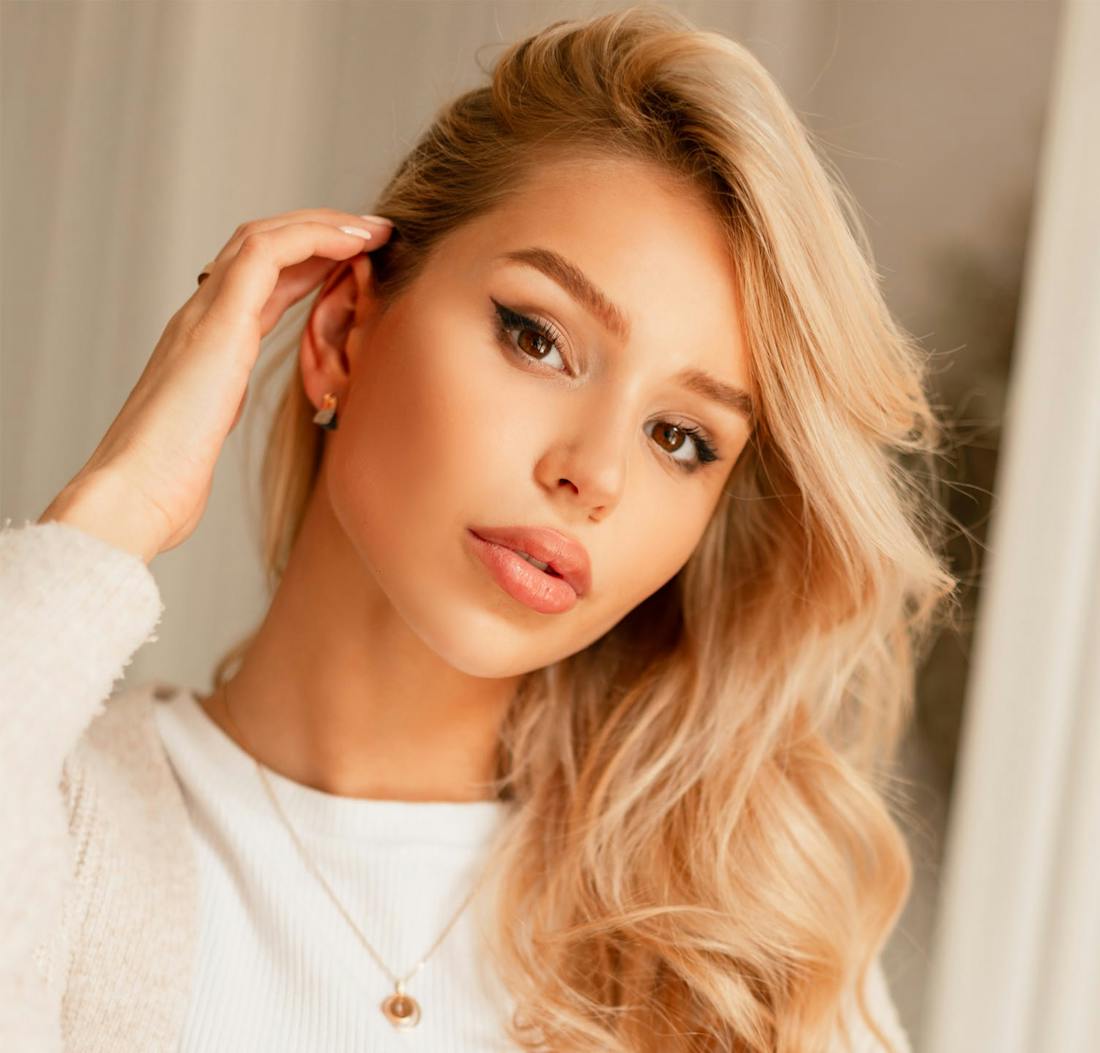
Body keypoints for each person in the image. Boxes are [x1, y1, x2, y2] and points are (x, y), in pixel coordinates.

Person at [0, 6, 956, 1052]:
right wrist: (115, 511)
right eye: (537, 339)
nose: (591, 473)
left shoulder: (745, 964)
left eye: (680, 438)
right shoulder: (52, 808)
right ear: (341, 332)